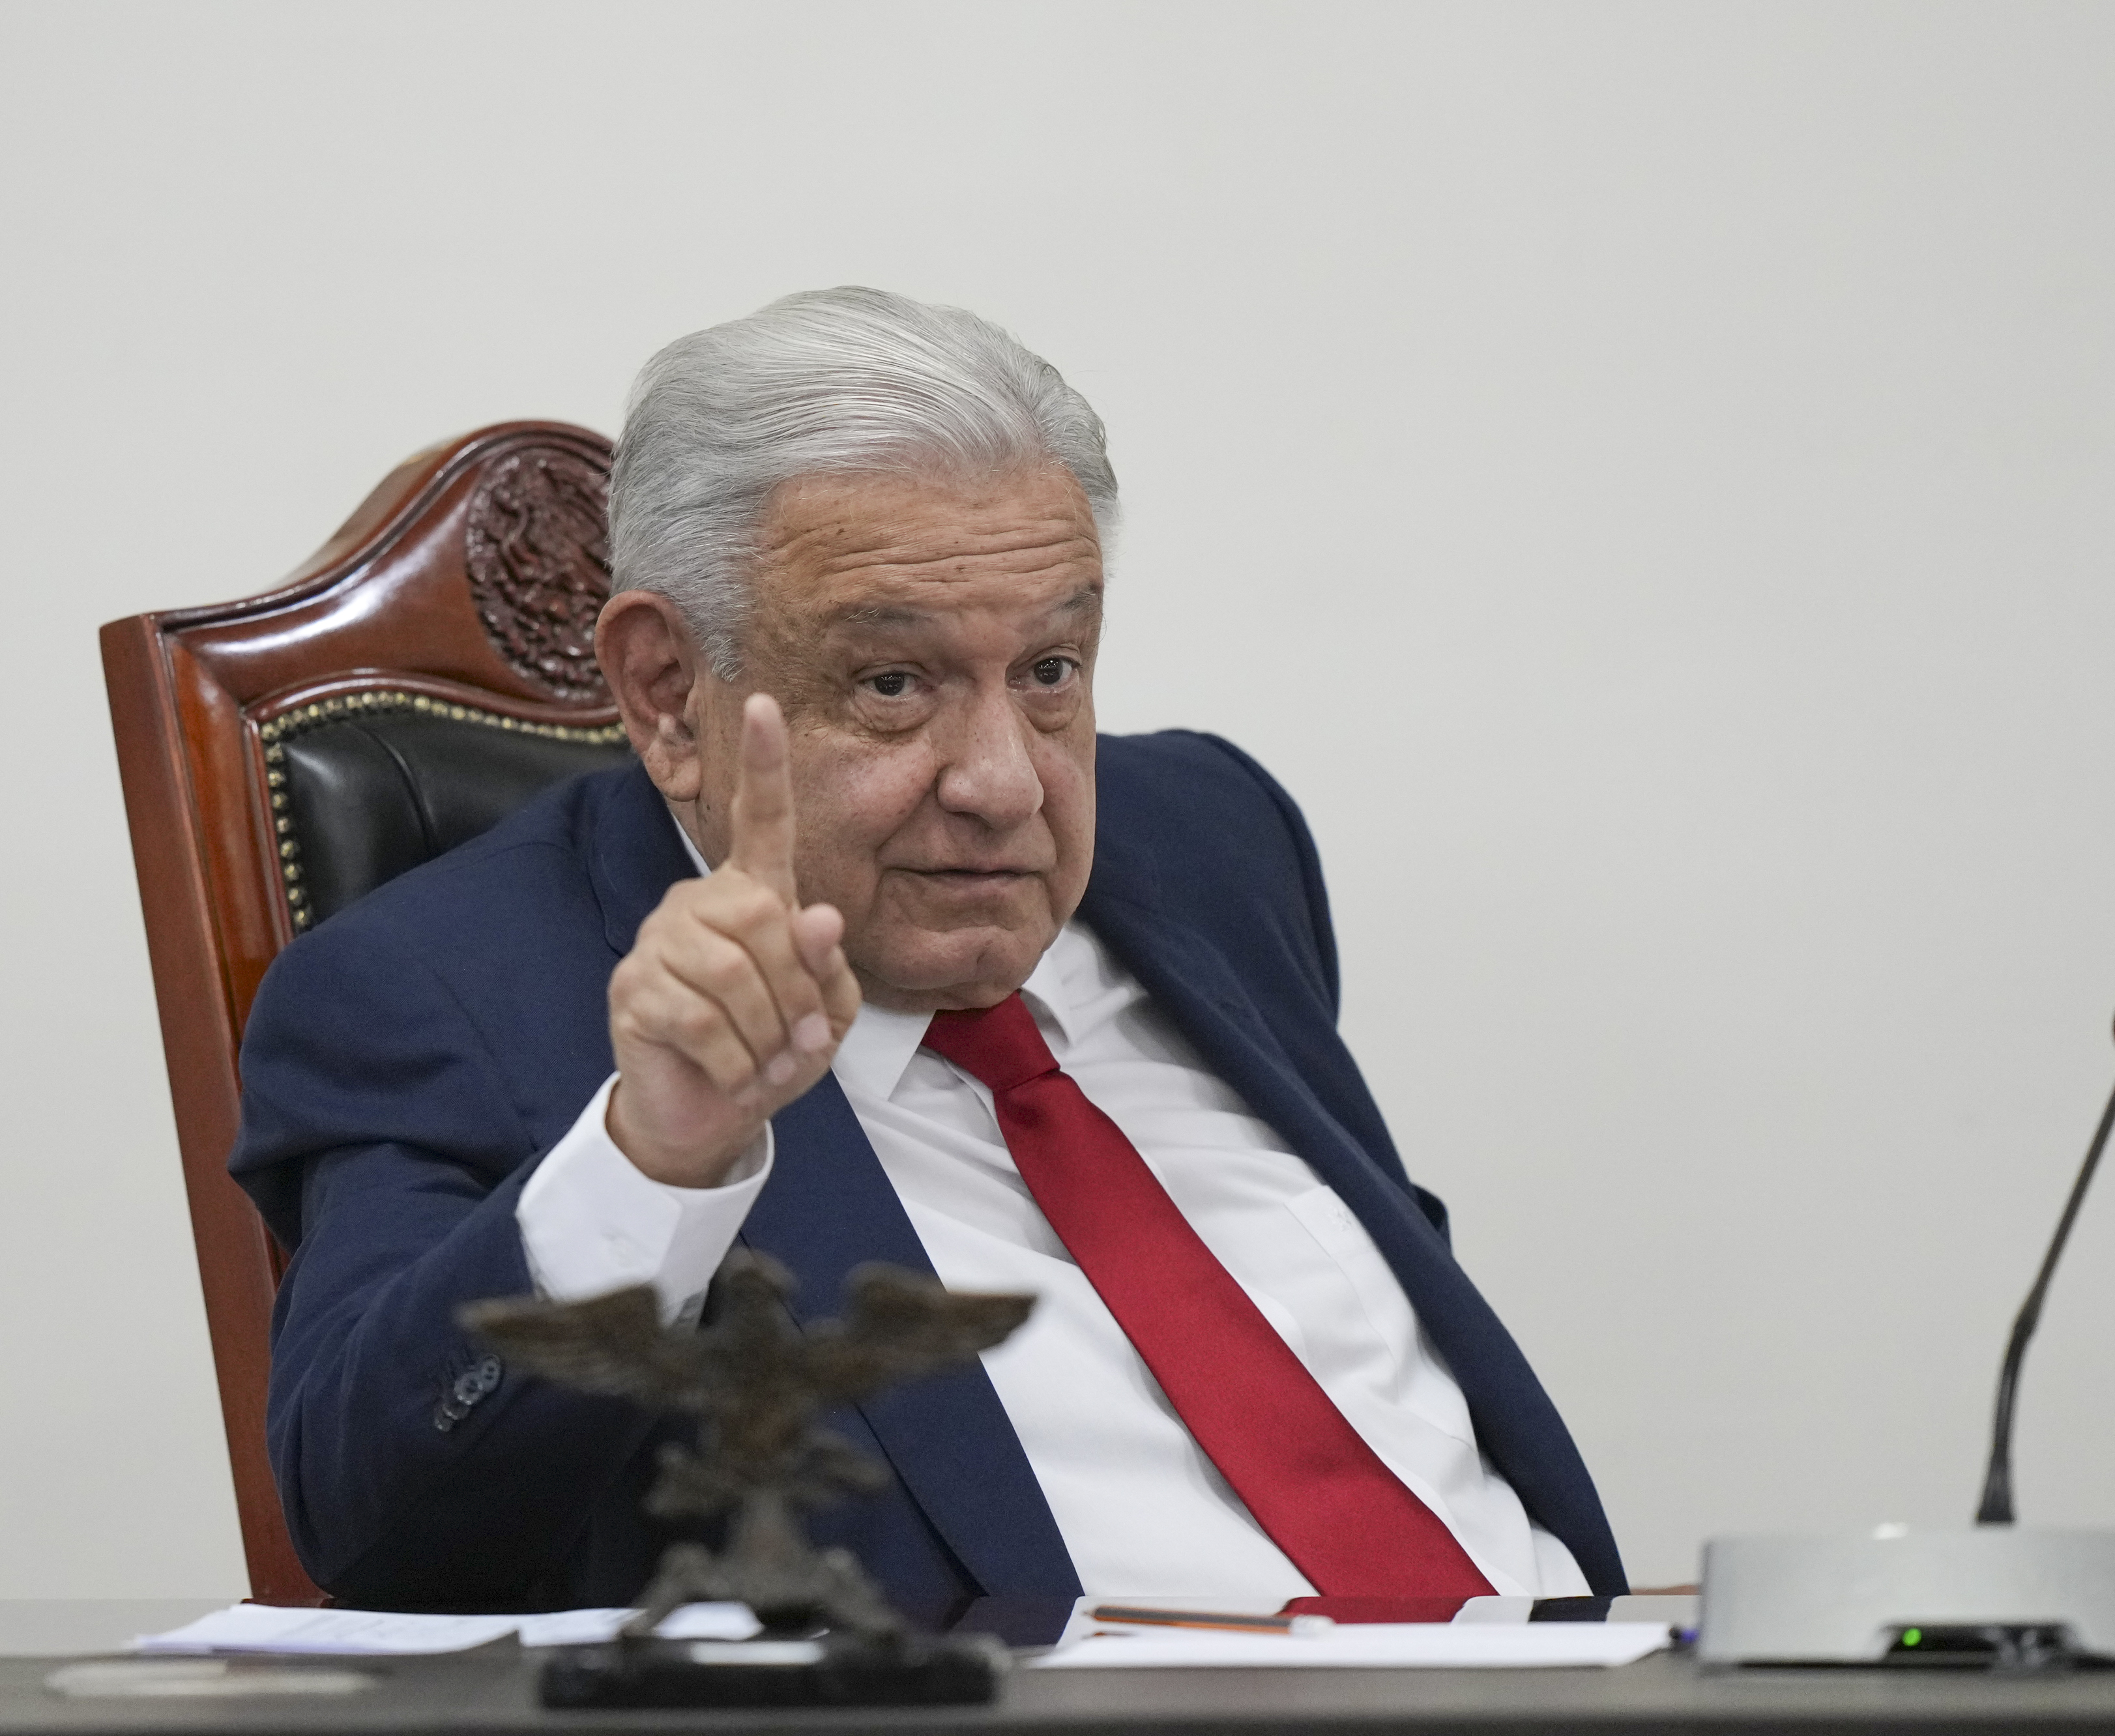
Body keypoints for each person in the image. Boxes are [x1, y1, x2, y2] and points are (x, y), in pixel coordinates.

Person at [231, 287, 1625, 1612]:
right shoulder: (444, 993)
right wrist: (658, 1161)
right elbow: (379, 1533)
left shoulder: (1211, 841)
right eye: (894, 684)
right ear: (665, 692)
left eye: (1049, 672)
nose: (1005, 784)